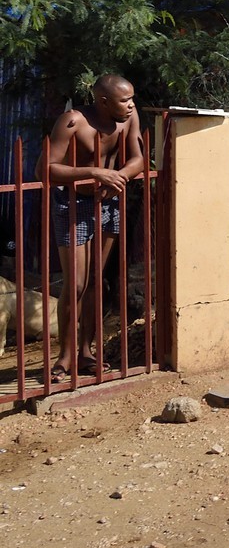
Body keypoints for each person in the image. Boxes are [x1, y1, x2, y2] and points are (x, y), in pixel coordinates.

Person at [36, 74, 144, 379]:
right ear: (104, 101)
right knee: (77, 284)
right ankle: (64, 357)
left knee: (97, 280)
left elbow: (138, 159)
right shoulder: (72, 121)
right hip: (72, 204)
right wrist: (96, 171)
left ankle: (86, 352)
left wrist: (117, 176)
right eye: (125, 100)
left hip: (108, 203)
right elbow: (44, 169)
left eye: (132, 98)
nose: (131, 104)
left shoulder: (129, 117)